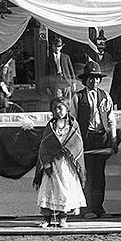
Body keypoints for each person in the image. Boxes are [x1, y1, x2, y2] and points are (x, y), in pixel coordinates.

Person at [70, 61, 118, 220]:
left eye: (97, 78)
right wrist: (76, 142)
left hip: (101, 139)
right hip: (86, 139)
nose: (94, 81)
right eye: (91, 78)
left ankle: (99, 207)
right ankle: (87, 208)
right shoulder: (78, 97)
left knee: (99, 175)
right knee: (87, 175)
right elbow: (73, 120)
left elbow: (111, 119)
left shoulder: (105, 96)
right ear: (85, 79)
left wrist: (113, 138)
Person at [33, 97, 86, 228]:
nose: (58, 111)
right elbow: (44, 146)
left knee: (65, 189)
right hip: (53, 163)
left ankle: (63, 218)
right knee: (49, 189)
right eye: (55, 109)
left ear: (67, 109)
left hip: (66, 164)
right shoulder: (51, 126)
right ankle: (47, 218)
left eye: (60, 108)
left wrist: (68, 150)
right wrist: (46, 163)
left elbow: (77, 143)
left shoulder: (73, 126)